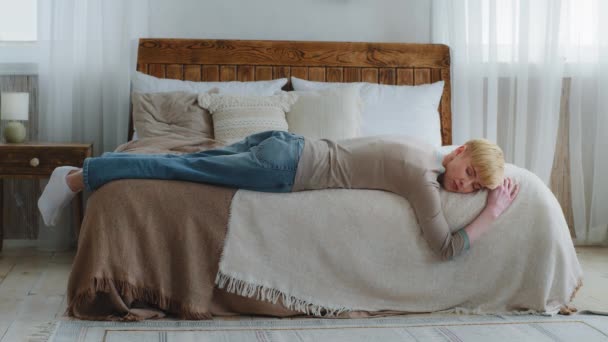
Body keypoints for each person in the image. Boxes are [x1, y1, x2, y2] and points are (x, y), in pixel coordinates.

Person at [38, 130, 519, 261]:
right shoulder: (420, 177)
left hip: (284, 141)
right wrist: (491, 214)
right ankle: (79, 177)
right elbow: (445, 248)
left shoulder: (421, 147)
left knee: (193, 158)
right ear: (456, 151)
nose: (465, 186)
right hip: (285, 168)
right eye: (470, 173)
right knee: (178, 169)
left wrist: (485, 194)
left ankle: (83, 174)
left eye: (477, 188)